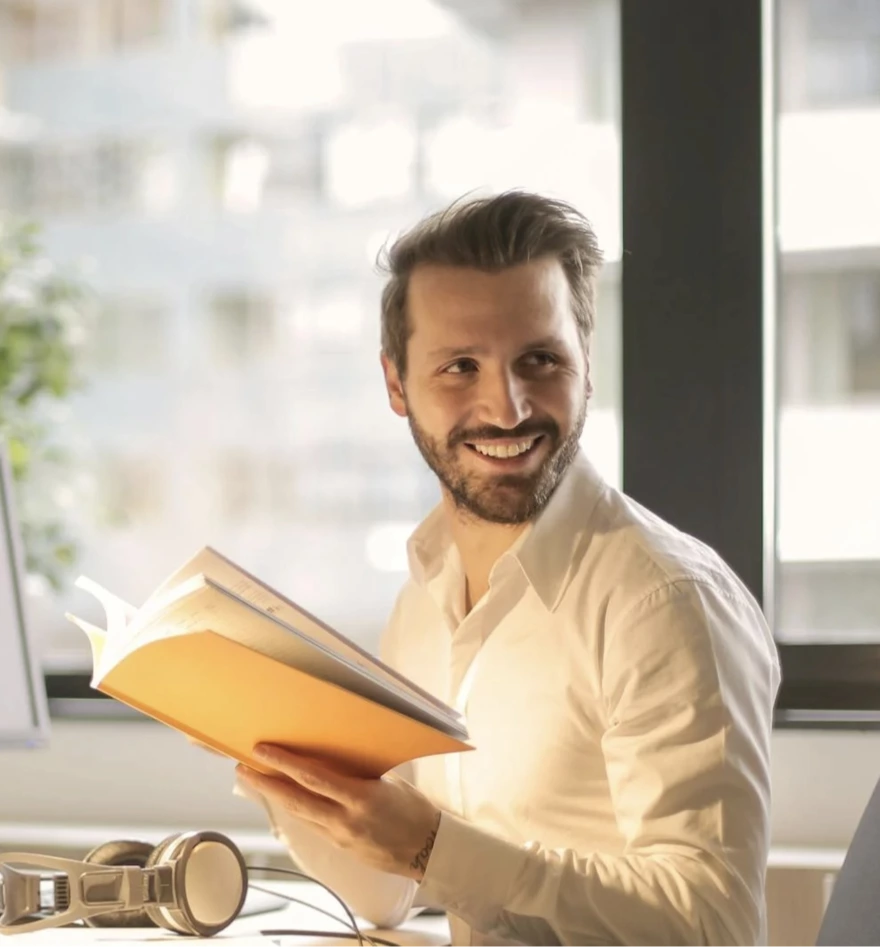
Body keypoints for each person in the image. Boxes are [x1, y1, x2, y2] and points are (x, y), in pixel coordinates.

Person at [233, 190, 781, 947]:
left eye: (540, 359)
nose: (507, 405)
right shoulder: (423, 599)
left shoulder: (664, 600)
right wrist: (283, 769)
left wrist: (436, 846)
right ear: (397, 385)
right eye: (460, 366)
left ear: (586, 364)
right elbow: (389, 891)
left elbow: (713, 923)